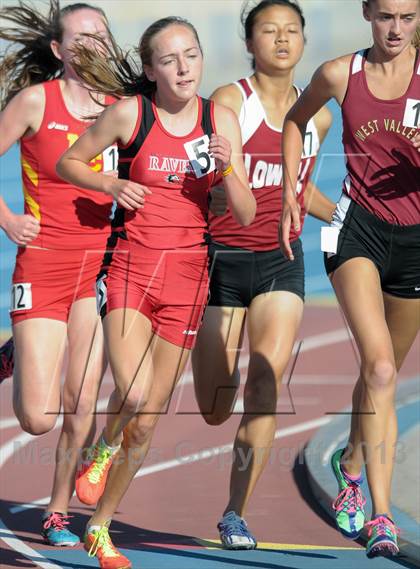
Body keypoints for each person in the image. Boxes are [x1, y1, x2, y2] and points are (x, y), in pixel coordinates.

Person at [57, 16, 256, 568]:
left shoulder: (221, 122)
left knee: (146, 420)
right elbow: (67, 161)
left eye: (190, 55)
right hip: (129, 272)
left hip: (189, 278)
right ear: (150, 69)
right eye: (168, 60)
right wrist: (112, 182)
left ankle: (99, 527)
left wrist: (229, 169)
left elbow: (243, 213)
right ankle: (101, 450)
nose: (183, 67)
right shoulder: (131, 114)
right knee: (138, 393)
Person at [191, 0, 334, 549]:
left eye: (291, 31)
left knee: (265, 384)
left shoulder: (318, 114)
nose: (281, 40)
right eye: (268, 31)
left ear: (303, 41)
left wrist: (352, 216)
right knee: (212, 408)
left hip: (282, 264)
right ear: (249, 43)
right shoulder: (231, 102)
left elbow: (300, 190)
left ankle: (235, 513)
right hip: (222, 265)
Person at [281, 0, 419, 558]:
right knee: (380, 365)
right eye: (387, 16)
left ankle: (351, 465)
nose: (396, 29)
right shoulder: (341, 73)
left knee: (381, 374)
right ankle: (382, 517)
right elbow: (295, 121)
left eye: (408, 17)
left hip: (415, 243)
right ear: (367, 12)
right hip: (355, 230)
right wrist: (293, 190)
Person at [0, 0, 117, 546]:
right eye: (81, 38)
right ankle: (14, 353)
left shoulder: (125, 106)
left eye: (102, 35)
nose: (93, 45)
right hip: (42, 262)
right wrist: (6, 218)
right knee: (38, 419)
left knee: (82, 402)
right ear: (58, 50)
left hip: (95, 270)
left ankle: (57, 511)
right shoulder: (34, 101)